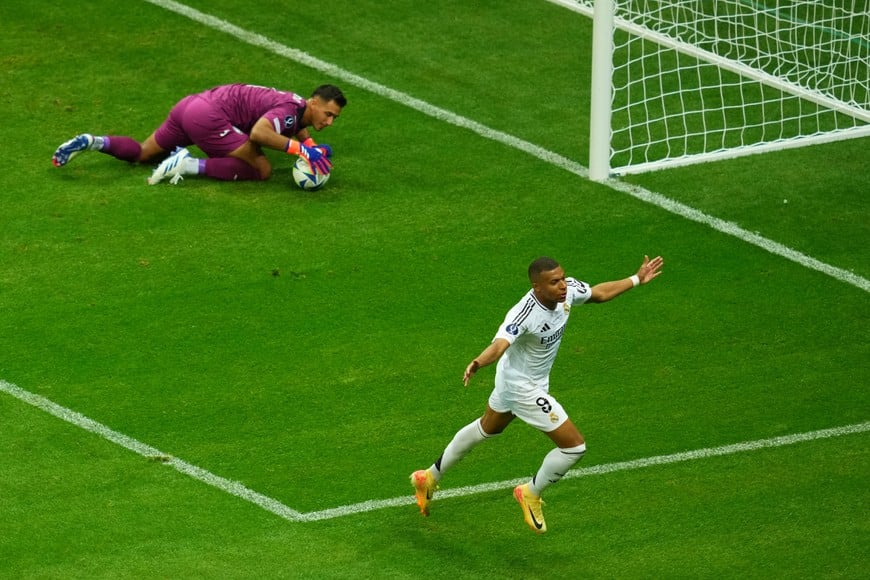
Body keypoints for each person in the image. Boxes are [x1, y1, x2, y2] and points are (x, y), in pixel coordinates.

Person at [410, 254, 664, 534]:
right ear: (536, 286)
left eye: (562, 278)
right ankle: (530, 492)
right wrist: (478, 362)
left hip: (521, 379)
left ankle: (428, 477)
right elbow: (500, 344)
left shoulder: (568, 292)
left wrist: (637, 279)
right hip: (522, 387)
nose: (562, 286)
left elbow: (599, 293)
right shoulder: (524, 312)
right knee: (574, 447)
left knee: (487, 428)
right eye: (554, 282)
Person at [51, 83, 346, 185]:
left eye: (334, 117)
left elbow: (296, 125)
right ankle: (187, 164)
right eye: (328, 114)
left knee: (142, 153)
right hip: (210, 117)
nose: (330, 120)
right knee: (261, 168)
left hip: (190, 105)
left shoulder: (295, 107)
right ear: (314, 103)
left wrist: (310, 144)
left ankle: (93, 142)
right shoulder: (289, 109)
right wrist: (302, 151)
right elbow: (259, 133)